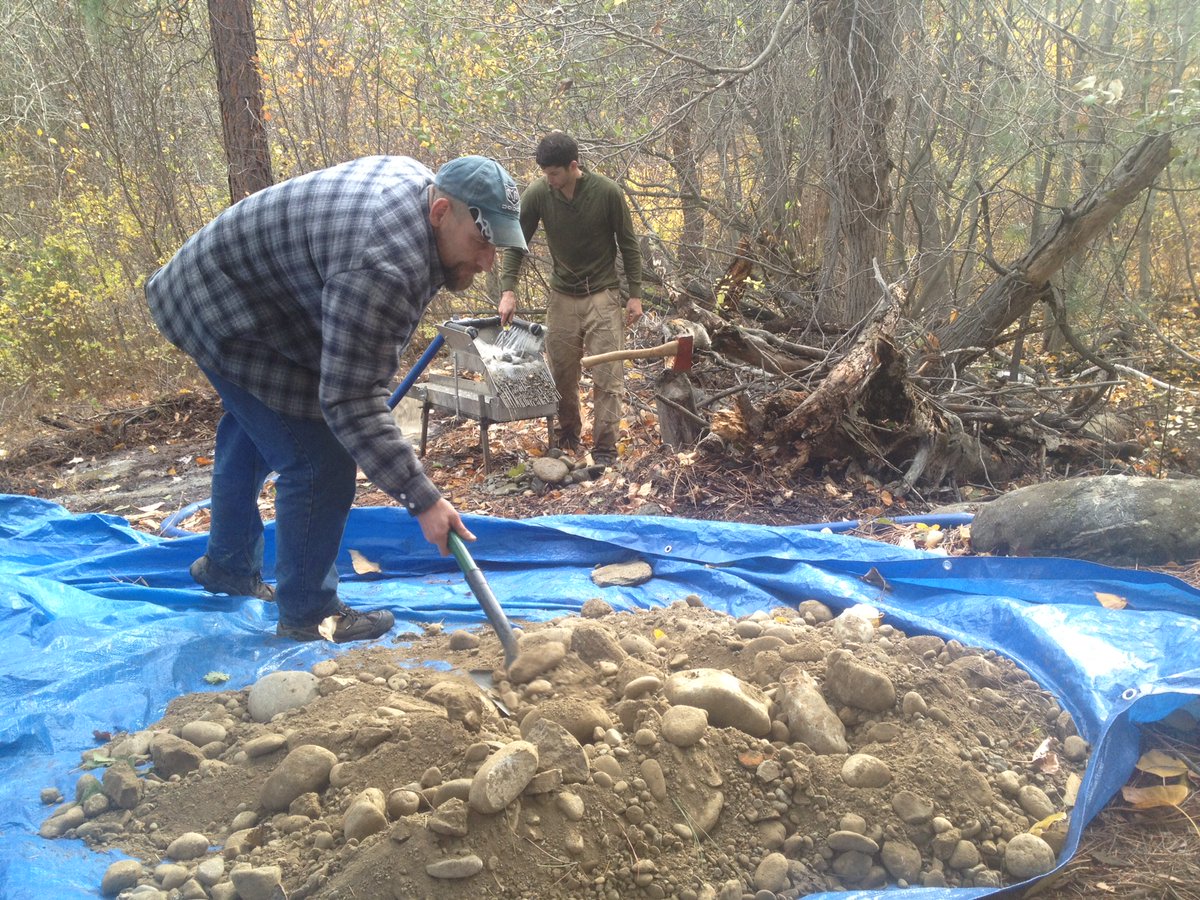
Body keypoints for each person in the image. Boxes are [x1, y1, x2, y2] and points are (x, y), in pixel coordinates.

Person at [145, 155, 527, 643]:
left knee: (255, 424)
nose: (487, 262)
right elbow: (350, 400)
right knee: (318, 460)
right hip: (218, 306)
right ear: (440, 212)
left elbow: (351, 366)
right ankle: (309, 611)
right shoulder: (384, 261)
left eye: (496, 246)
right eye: (480, 243)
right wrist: (423, 499)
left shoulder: (421, 196)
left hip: (259, 296)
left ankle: (228, 565)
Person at [497, 132, 643, 466]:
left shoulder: (607, 192)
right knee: (562, 372)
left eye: (554, 173)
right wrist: (508, 290)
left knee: (607, 374)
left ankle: (605, 448)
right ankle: (566, 438)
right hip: (562, 296)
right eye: (545, 173)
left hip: (602, 294)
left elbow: (629, 244)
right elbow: (517, 242)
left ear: (573, 166)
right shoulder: (539, 193)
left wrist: (634, 294)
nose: (548, 179)